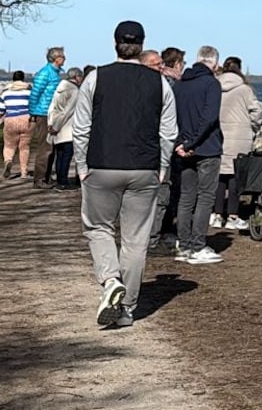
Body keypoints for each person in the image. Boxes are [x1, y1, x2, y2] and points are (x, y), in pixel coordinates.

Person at [72, 20, 177, 328]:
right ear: (142, 45)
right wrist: (162, 167)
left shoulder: (94, 79)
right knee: (135, 240)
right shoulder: (160, 84)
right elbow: (168, 132)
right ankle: (127, 309)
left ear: (114, 43)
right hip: (144, 168)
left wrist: (81, 166)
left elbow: (81, 129)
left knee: (98, 228)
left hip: (102, 166)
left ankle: (109, 281)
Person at [172, 45, 224, 265]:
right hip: (207, 147)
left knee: (186, 196)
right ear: (213, 62)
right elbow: (209, 117)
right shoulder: (211, 84)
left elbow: (172, 116)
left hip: (184, 147)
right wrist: (193, 141)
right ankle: (197, 245)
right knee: (205, 197)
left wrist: (181, 143)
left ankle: (183, 244)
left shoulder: (180, 85)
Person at [214, 56, 262, 230]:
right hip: (240, 135)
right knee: (236, 175)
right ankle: (233, 215)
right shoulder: (244, 89)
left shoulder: (215, 86)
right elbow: (256, 111)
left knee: (220, 175)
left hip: (219, 134)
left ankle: (217, 214)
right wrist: (254, 126)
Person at [147, 47, 186, 256]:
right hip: (161, 146)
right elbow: (171, 120)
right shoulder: (171, 85)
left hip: (148, 145)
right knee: (162, 191)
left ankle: (148, 235)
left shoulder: (153, 83)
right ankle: (153, 238)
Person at [29, 46, 66, 189]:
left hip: (52, 113)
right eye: (62, 56)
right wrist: (33, 112)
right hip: (43, 113)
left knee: (52, 147)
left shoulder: (55, 73)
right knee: (45, 147)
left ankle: (46, 176)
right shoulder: (45, 73)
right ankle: (39, 179)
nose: (64, 59)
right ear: (56, 58)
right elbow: (35, 93)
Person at [46, 67, 84, 191]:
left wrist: (51, 123)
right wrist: (56, 126)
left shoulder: (59, 89)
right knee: (67, 156)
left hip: (56, 126)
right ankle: (63, 181)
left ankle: (59, 179)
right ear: (77, 77)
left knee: (59, 155)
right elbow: (68, 111)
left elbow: (52, 107)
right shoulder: (74, 91)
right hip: (67, 127)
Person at [0, 71, 33, 179]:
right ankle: (24, 172)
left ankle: (8, 161)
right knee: (24, 147)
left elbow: (0, 109)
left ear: (13, 79)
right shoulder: (29, 92)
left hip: (10, 120)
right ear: (23, 79)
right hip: (26, 120)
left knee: (9, 145)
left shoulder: (6, 93)